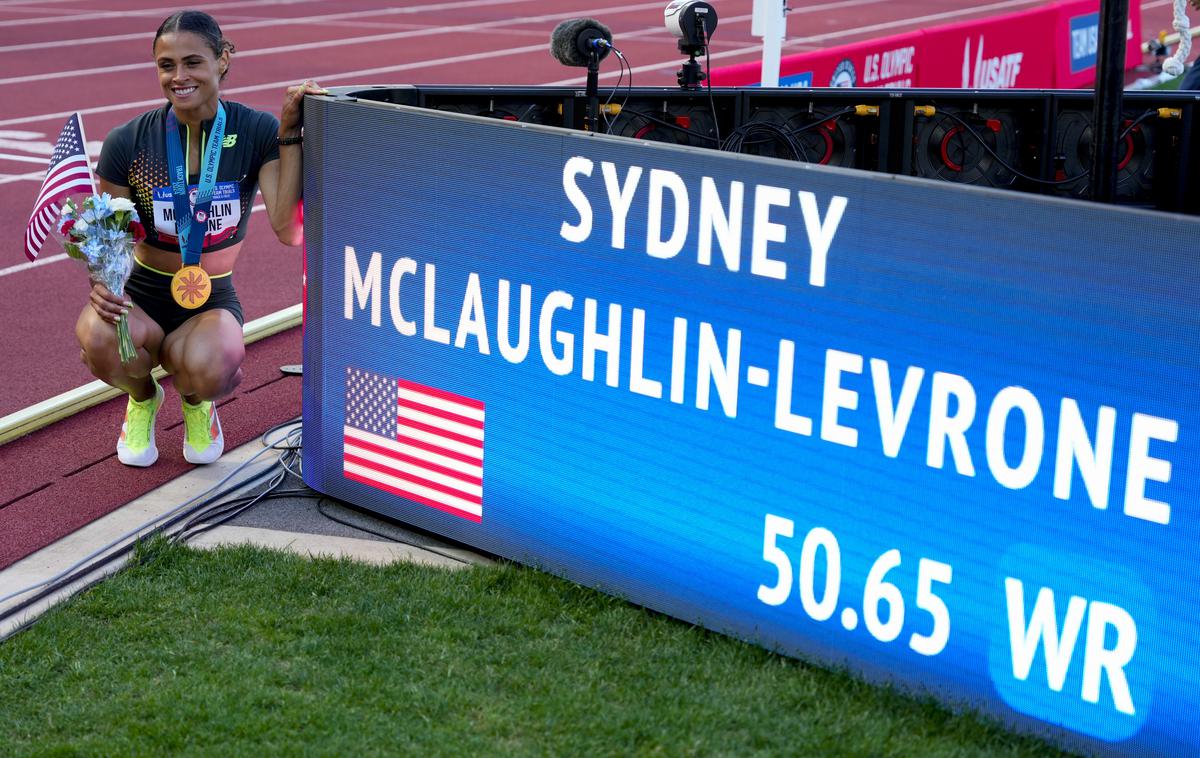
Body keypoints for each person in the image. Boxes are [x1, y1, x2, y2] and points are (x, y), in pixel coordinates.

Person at [77, 10, 326, 467]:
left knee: (217, 362)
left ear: (223, 59)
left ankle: (197, 403)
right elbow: (108, 239)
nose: (179, 77)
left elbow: (290, 232)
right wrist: (101, 284)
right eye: (166, 65)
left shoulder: (254, 131)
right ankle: (142, 398)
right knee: (97, 335)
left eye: (192, 62)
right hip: (143, 296)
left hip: (211, 297)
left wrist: (290, 132)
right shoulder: (128, 141)